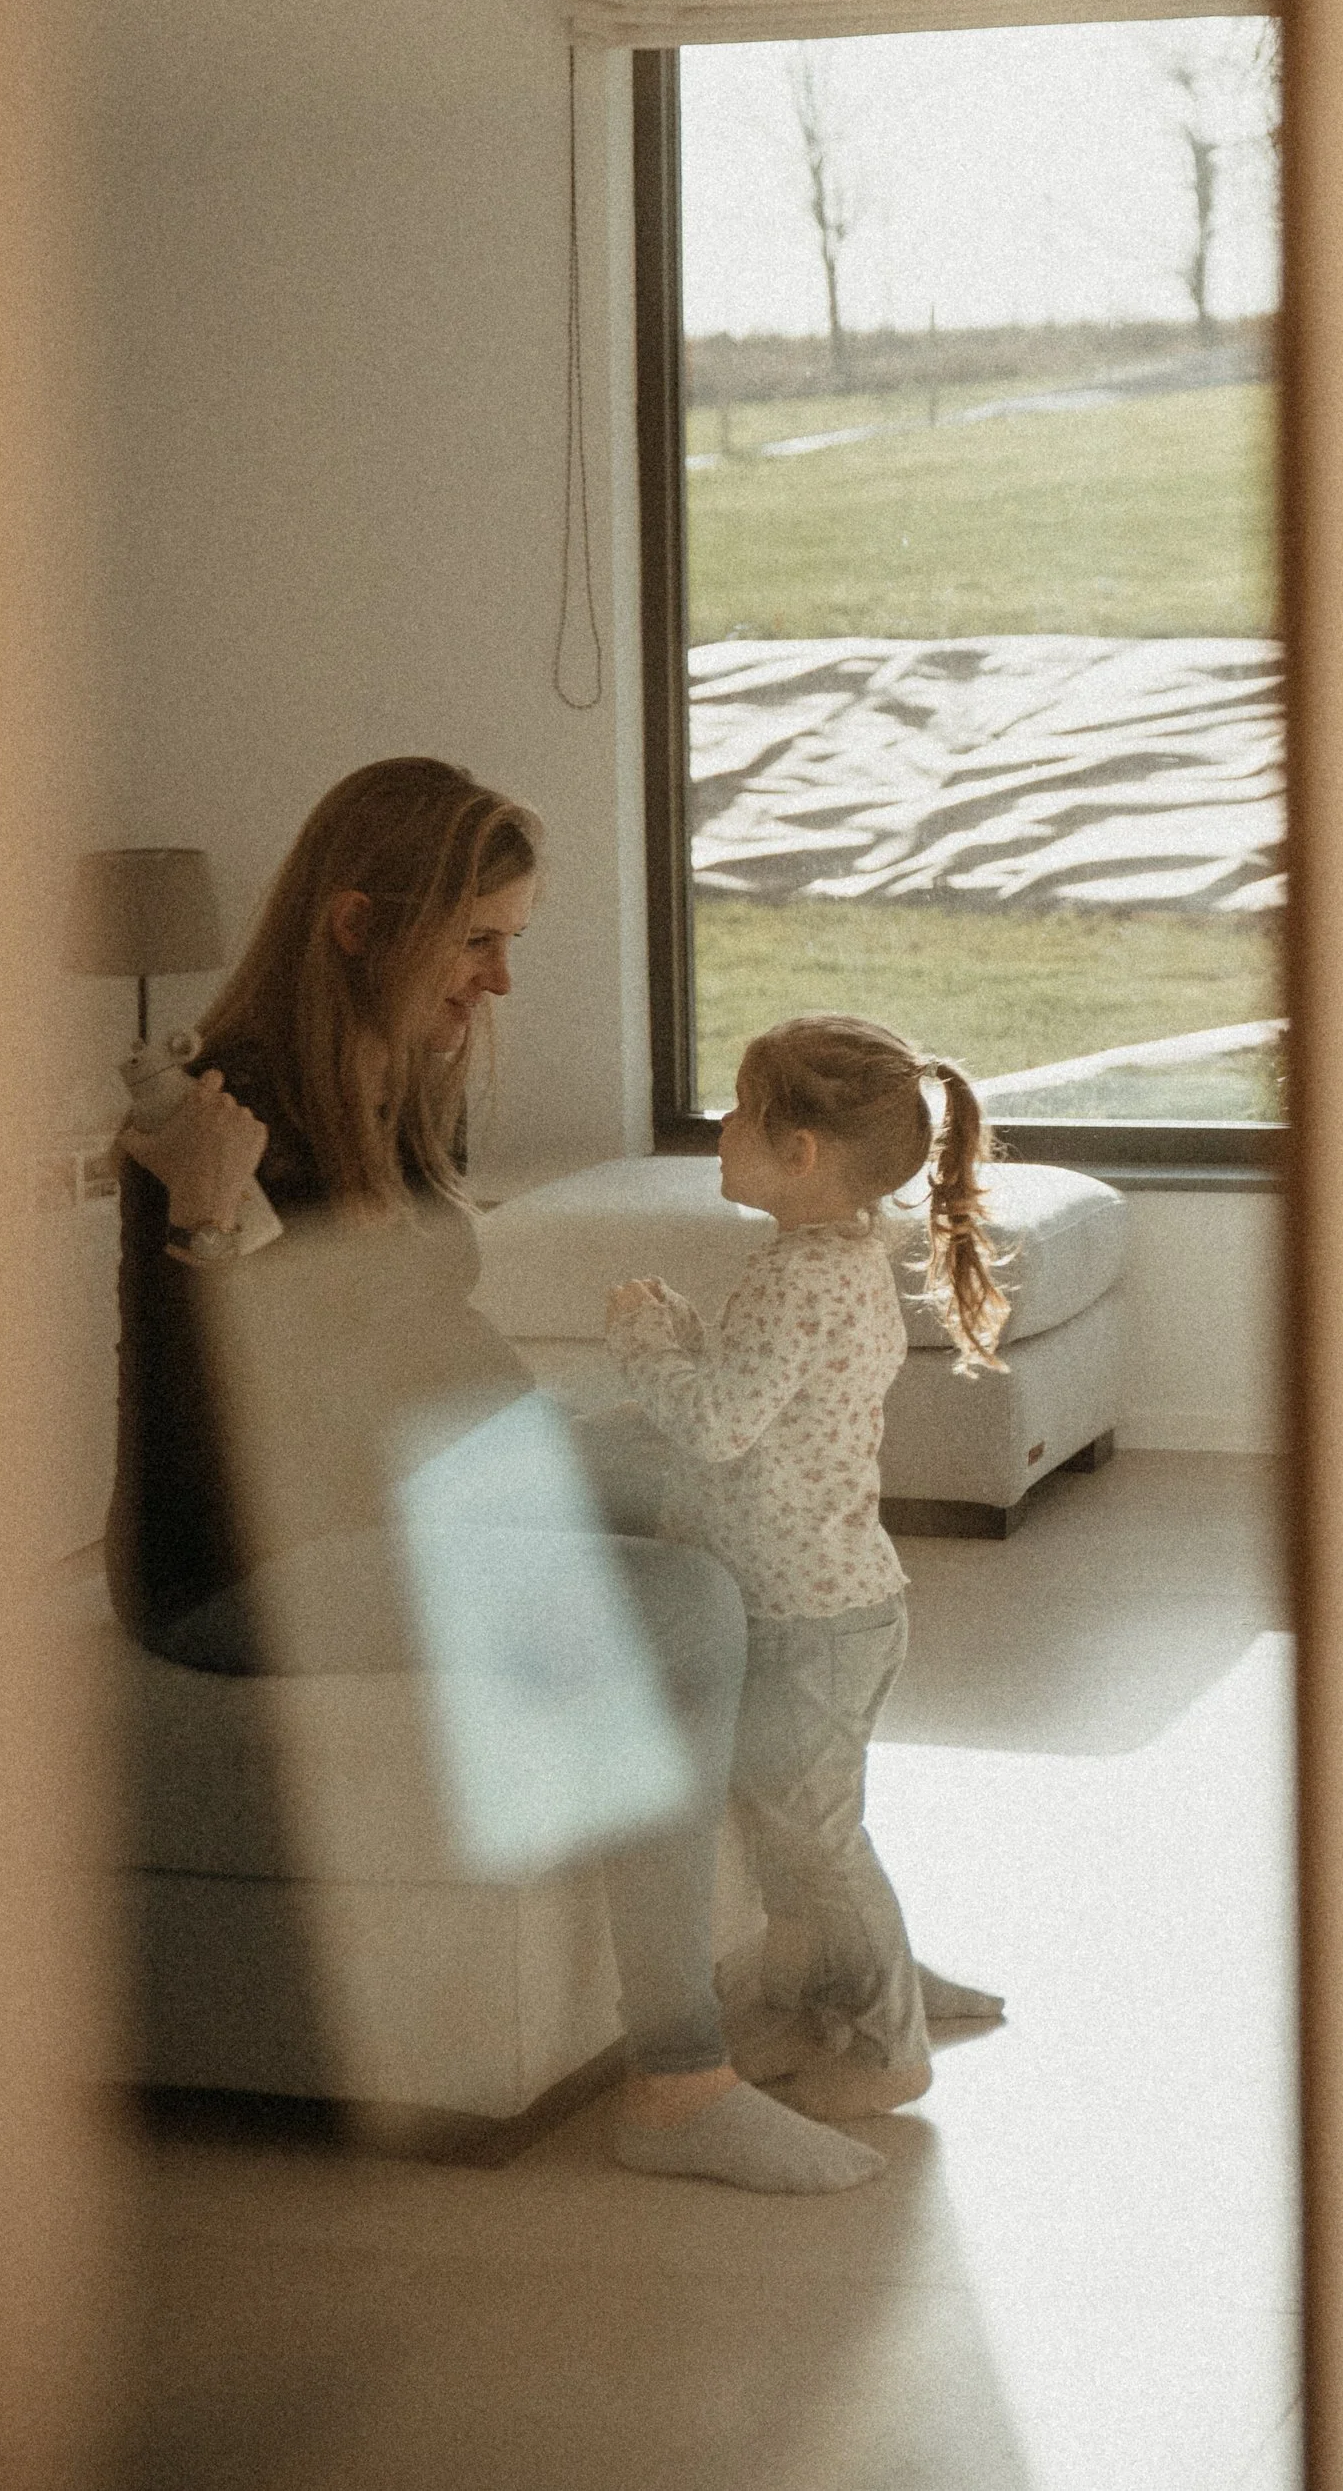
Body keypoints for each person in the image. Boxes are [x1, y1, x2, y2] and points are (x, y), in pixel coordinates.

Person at [111, 755, 878, 2195]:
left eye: (509, 938)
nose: (502, 979)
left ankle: (838, 1930)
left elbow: (423, 1343)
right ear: (356, 924)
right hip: (242, 1558)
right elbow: (292, 1398)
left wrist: (597, 1450)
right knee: (679, 1603)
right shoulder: (224, 1113)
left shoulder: (396, 1076)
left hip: (390, 1486)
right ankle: (678, 2074)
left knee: (733, 1490)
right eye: (479, 939)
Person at [605, 1015, 1010, 2122]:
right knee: (805, 1831)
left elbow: (721, 1427)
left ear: (800, 1154)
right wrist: (693, 1336)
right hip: (833, 1603)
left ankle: (892, 2045)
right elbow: (765, 1400)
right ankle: (857, 1992)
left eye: (740, 1110)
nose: (722, 1127)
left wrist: (643, 1344)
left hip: (805, 1615)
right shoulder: (830, 1262)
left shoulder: (797, 1278)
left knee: (817, 1837)